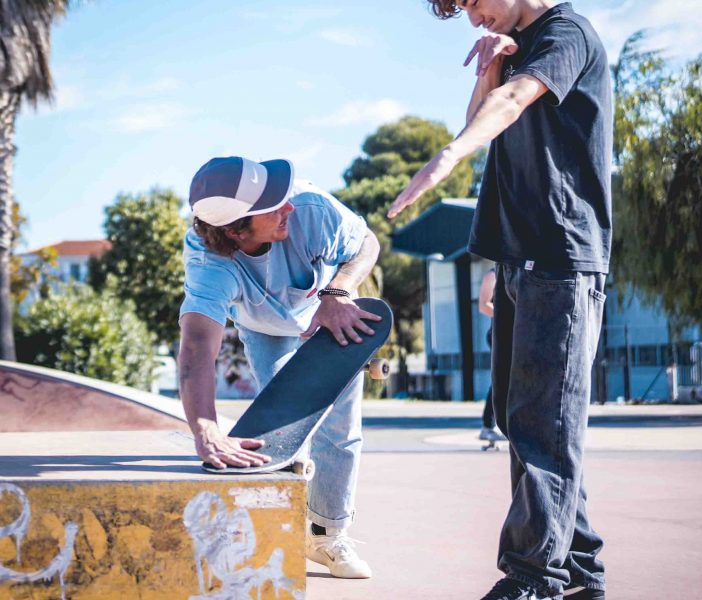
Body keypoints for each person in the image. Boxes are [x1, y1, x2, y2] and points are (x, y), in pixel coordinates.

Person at [388, 1, 612, 599]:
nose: (473, 19)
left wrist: (447, 156)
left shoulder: (566, 34)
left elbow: (512, 104)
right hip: (521, 259)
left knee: (543, 425)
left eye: (473, 1)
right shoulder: (513, 47)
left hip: (562, 258)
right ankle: (579, 572)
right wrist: (488, 71)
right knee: (525, 423)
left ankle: (533, 578)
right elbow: (486, 119)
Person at [179, 155, 381, 579]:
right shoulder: (209, 263)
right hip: (263, 325)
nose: (287, 207)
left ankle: (326, 535)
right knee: (282, 428)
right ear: (235, 231)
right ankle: (281, 521)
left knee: (340, 425)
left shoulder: (311, 208)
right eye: (272, 207)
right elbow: (197, 347)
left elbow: (367, 244)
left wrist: (340, 290)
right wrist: (206, 429)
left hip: (329, 310)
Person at [478, 267, 505, 442]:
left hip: (517, 333)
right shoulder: (492, 275)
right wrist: (509, 314)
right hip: (499, 333)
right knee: (501, 380)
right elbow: (483, 306)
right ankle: (488, 426)